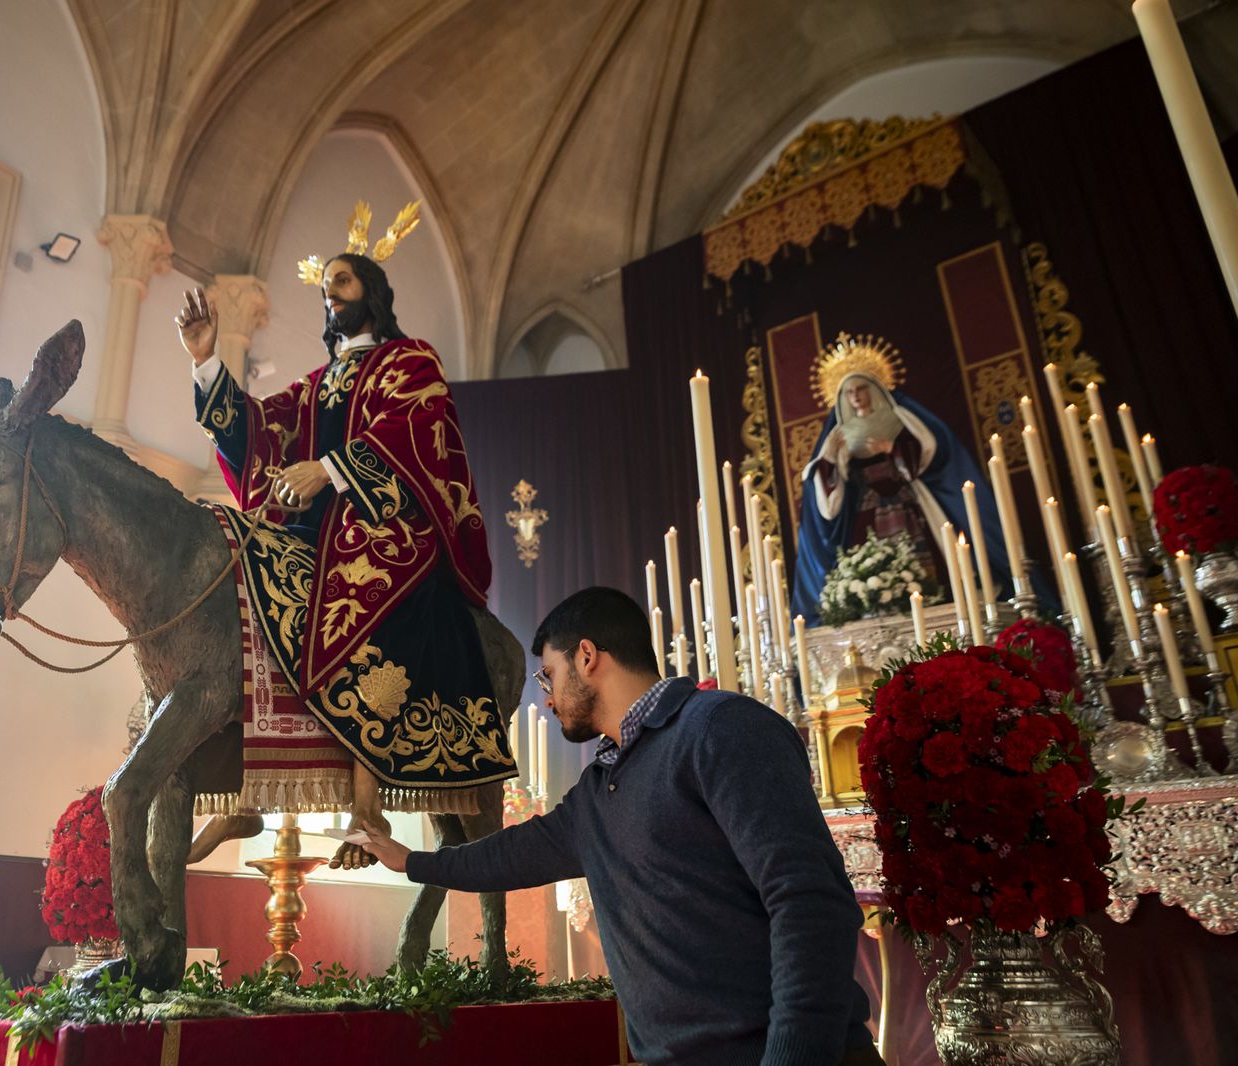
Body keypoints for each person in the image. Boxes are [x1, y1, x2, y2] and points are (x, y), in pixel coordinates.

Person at [361, 587, 882, 1066]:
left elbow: (810, 903)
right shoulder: (600, 786)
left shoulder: (722, 728)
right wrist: (408, 859)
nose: (545, 696)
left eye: (548, 675)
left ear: (587, 657)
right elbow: (510, 855)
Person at [178, 248, 512, 869]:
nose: (329, 292)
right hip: (316, 531)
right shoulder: (319, 383)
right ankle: (247, 787)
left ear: (371, 291)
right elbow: (260, 430)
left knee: (355, 587)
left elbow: (416, 429)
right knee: (244, 565)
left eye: (342, 280)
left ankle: (366, 804)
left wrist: (329, 470)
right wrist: (207, 362)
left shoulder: (409, 361)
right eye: (325, 285)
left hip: (391, 527)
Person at [791, 332, 1014, 626]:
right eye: (849, 392)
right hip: (867, 503)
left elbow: (925, 452)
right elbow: (829, 481)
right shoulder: (840, 432)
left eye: (861, 388)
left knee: (921, 548)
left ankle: (934, 598)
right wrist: (830, 458)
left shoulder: (898, 417)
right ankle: (881, 605)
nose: (856, 396)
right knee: (870, 554)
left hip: (905, 496)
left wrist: (890, 448)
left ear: (872, 388)